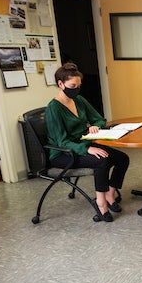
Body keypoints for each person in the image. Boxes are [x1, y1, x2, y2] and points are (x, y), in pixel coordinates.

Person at [45, 62, 130, 222]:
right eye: (72, 85)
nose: (76, 89)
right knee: (102, 160)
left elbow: (99, 119)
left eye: (79, 85)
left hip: (84, 143)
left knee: (122, 158)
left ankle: (110, 195)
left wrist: (94, 127)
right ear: (60, 84)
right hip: (63, 153)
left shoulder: (79, 100)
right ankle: (101, 203)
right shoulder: (53, 109)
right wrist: (87, 149)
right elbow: (62, 141)